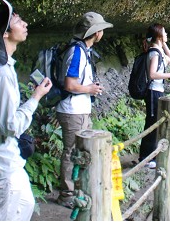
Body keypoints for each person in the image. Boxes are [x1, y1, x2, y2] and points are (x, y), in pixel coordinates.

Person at [0, 0, 53, 221]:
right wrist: (36, 97)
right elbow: (8, 126)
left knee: (25, 203)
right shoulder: (0, 73)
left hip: (5, 157)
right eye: (17, 21)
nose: (25, 24)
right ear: (5, 34)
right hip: (1, 162)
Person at [55, 11, 112, 208]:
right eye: (101, 30)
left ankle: (77, 188)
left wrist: (90, 87)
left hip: (79, 109)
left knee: (80, 150)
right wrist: (90, 89)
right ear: (96, 33)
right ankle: (67, 193)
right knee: (71, 152)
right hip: (72, 111)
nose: (102, 33)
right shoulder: (77, 52)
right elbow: (69, 85)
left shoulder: (83, 51)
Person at [138, 23, 170, 169]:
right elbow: (152, 74)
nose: (167, 35)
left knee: (155, 122)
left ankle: (150, 156)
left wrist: (163, 44)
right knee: (152, 123)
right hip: (153, 91)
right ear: (158, 36)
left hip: (158, 90)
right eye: (164, 33)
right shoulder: (154, 53)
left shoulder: (159, 52)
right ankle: (145, 158)